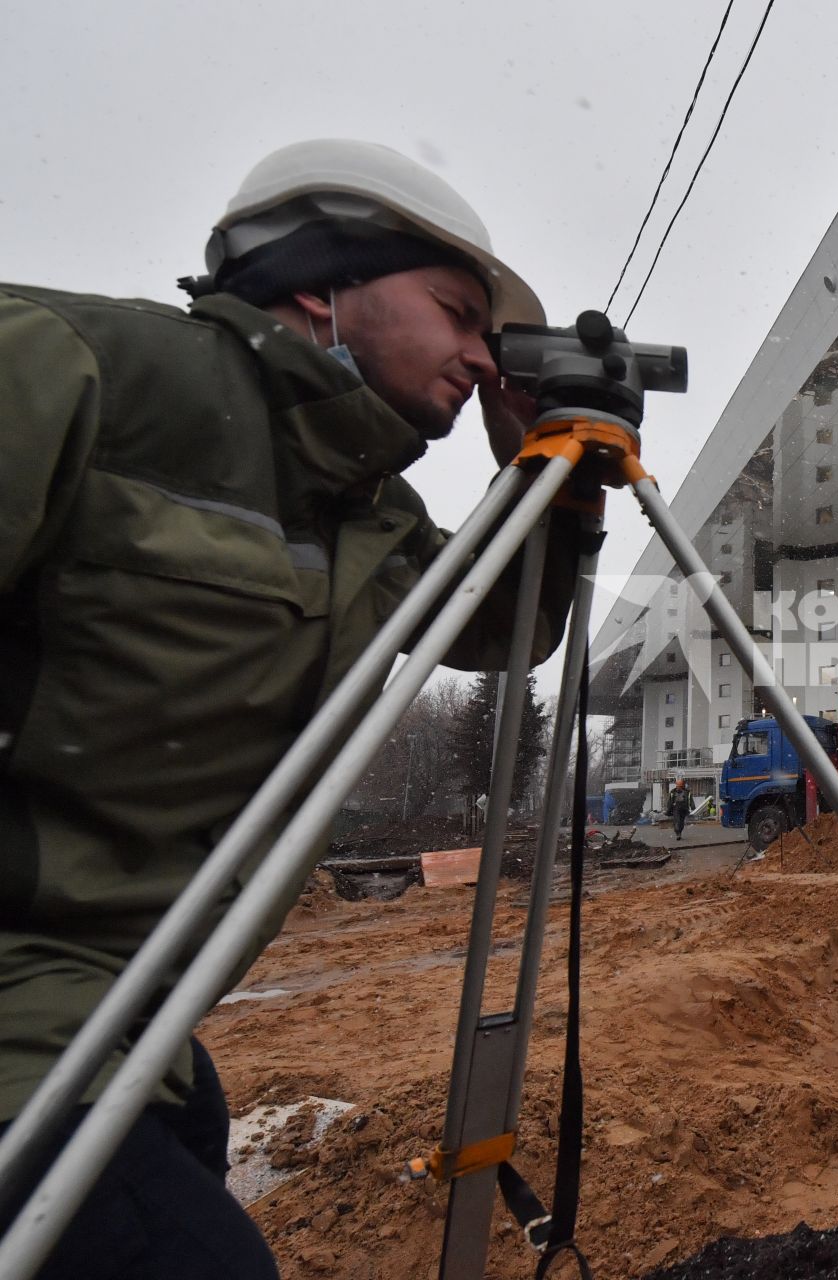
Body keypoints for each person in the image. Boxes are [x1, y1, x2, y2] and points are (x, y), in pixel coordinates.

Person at [0, 139, 572, 1278]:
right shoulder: (77, 367)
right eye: (457, 312)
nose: (478, 353)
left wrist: (542, 466)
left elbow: (505, 630)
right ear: (322, 282)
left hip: (133, 1021)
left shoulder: (367, 511)